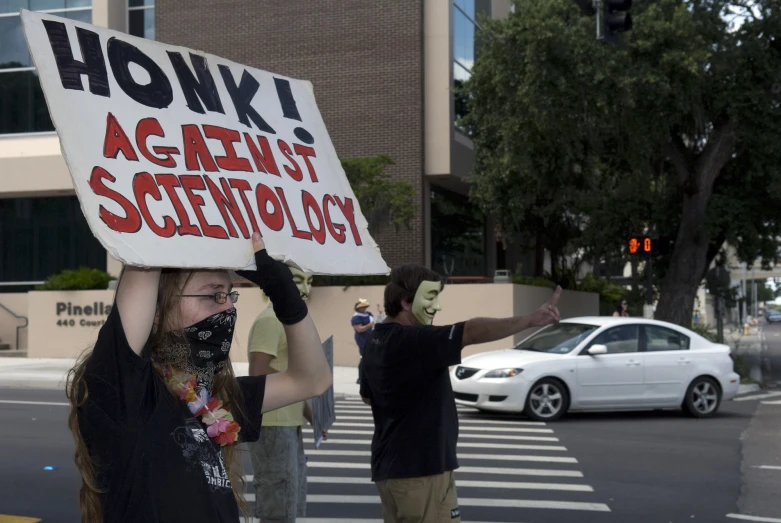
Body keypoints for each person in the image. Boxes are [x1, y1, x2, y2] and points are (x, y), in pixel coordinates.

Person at [65, 233, 332, 523]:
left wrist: (284, 294)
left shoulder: (212, 402)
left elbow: (311, 380)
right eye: (213, 295)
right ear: (155, 309)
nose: (228, 308)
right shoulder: (125, 393)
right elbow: (145, 244)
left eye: (230, 294)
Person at [359, 264, 561, 523]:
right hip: (422, 474)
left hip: (390, 473)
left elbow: (368, 397)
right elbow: (471, 331)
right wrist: (530, 320)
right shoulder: (415, 340)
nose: (438, 306)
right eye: (431, 296)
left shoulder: (376, 340)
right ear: (405, 302)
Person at [247, 266, 328, 523]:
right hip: (272, 425)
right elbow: (258, 370)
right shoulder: (271, 319)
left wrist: (311, 415)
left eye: (310, 281)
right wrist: (303, 382)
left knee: (287, 506)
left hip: (287, 424)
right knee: (277, 510)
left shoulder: (285, 320)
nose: (305, 289)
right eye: (299, 281)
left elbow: (288, 375)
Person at [352, 298, 375, 384]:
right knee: (364, 357)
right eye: (362, 307)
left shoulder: (368, 314)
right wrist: (369, 325)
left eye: (365, 307)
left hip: (371, 337)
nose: (364, 308)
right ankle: (361, 377)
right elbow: (359, 329)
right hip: (362, 339)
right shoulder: (356, 317)